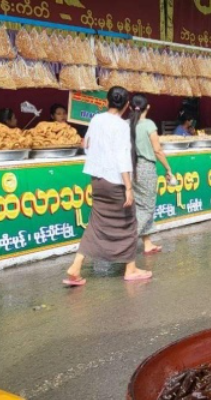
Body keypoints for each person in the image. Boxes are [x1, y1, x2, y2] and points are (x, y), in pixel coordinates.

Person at [63, 87, 151, 286]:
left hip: (97, 179)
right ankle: (130, 269)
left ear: (106, 101)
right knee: (129, 223)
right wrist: (128, 187)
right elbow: (122, 158)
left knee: (96, 223)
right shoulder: (121, 126)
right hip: (115, 181)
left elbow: (86, 143)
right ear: (127, 105)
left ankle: (75, 267)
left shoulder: (95, 119)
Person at [129, 94, 174, 254]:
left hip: (131, 168)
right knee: (147, 207)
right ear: (148, 107)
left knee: (139, 205)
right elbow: (157, 150)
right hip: (146, 168)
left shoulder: (127, 124)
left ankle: (147, 243)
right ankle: (126, 243)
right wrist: (168, 169)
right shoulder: (148, 124)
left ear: (129, 107)